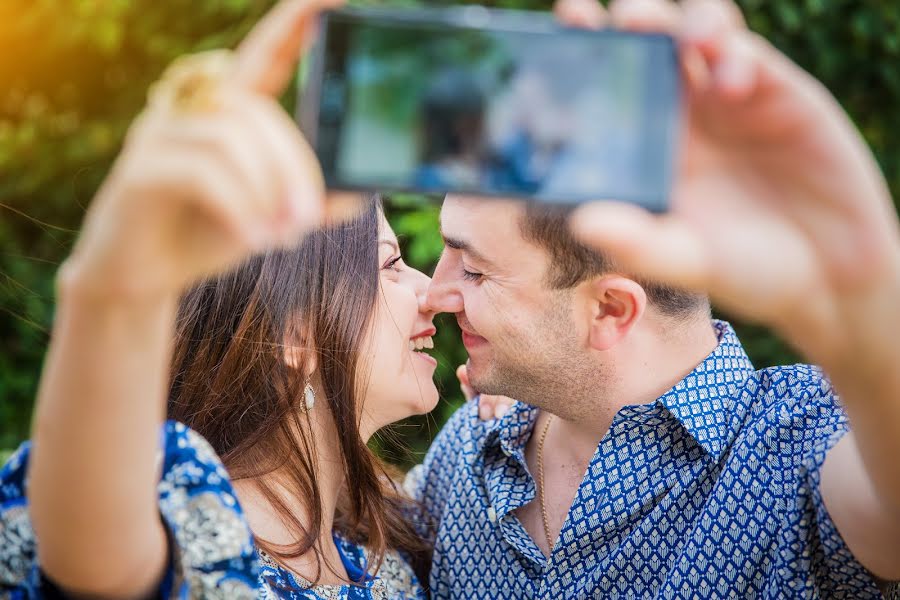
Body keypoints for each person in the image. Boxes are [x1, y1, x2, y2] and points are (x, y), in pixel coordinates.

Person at [411, 0, 900, 597]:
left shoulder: (797, 447)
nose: (434, 294)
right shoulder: (467, 453)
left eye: (475, 271)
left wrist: (864, 292)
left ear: (611, 310)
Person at [0, 1, 443, 597]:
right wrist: (116, 288)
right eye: (391, 265)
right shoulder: (184, 529)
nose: (433, 292)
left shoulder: (394, 550)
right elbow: (88, 562)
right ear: (296, 335)